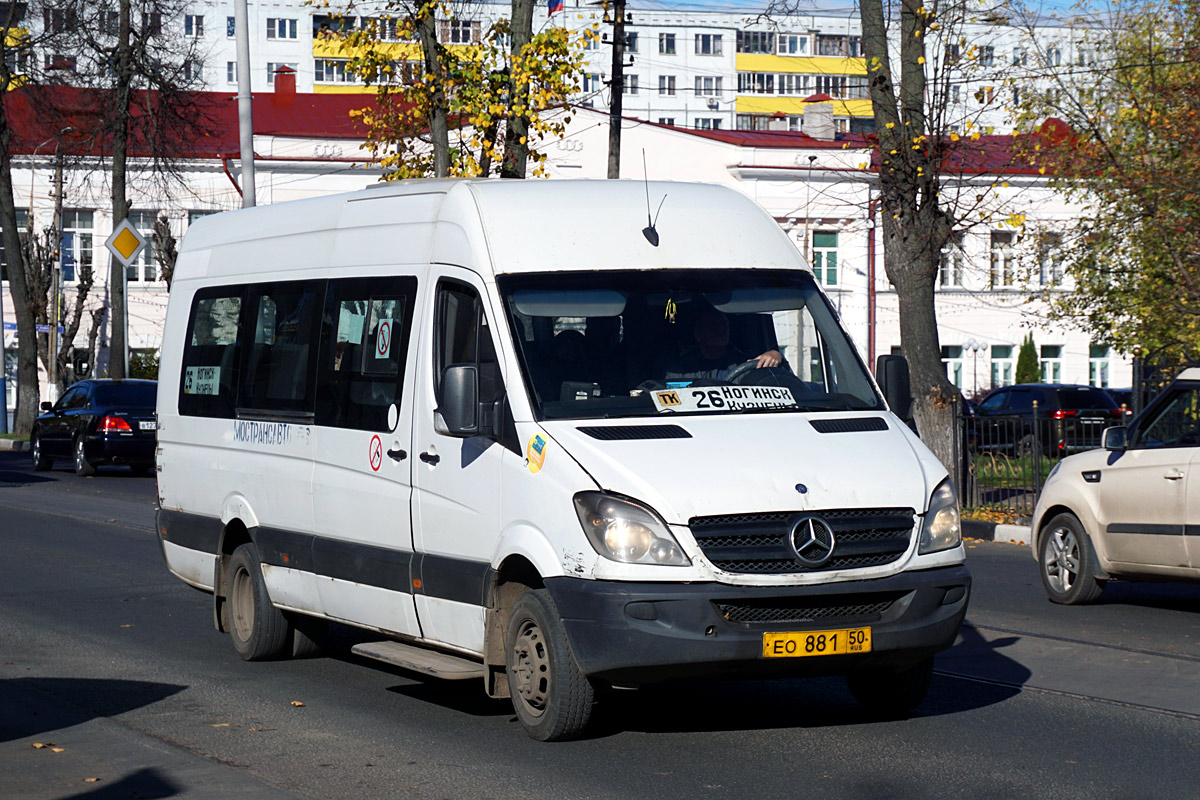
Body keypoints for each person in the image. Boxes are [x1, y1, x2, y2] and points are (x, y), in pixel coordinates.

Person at [665, 307, 782, 382]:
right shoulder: (680, 370)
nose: (720, 329)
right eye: (713, 325)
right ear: (698, 334)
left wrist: (775, 356)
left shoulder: (746, 363)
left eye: (723, 324)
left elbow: (777, 380)